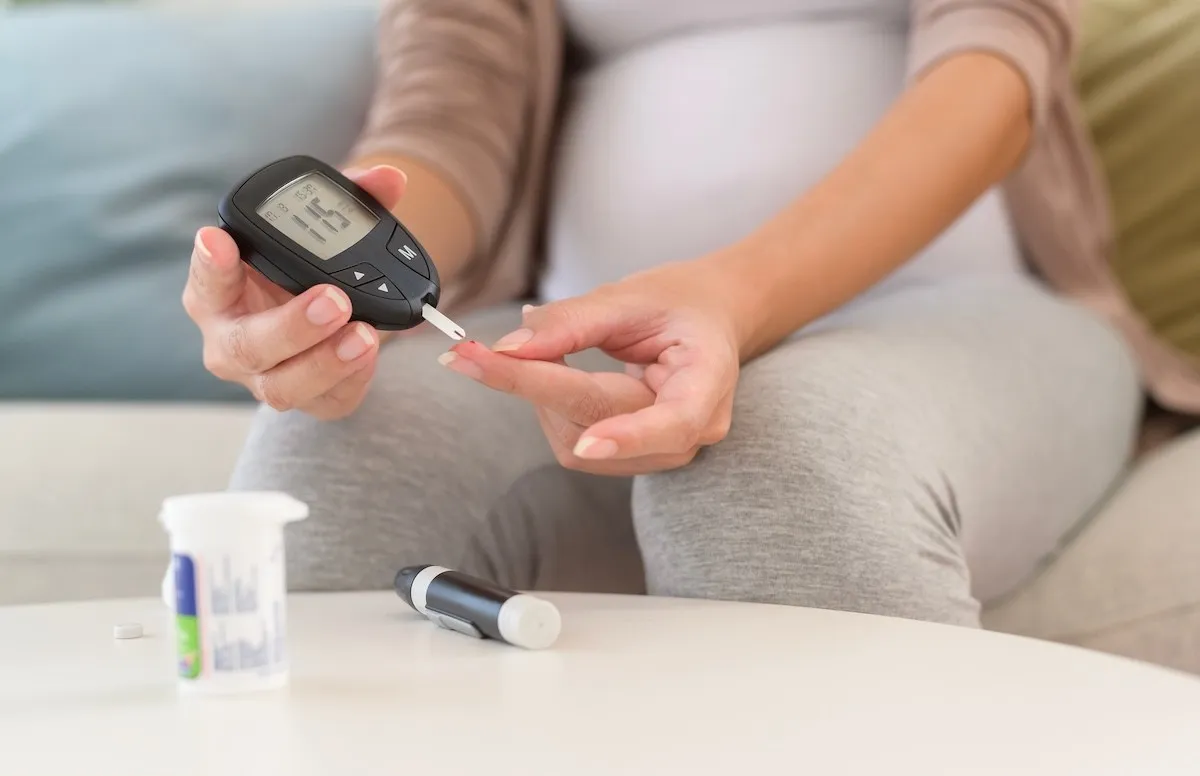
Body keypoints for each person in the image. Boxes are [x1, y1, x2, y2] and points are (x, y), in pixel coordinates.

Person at [181, 0, 1154, 626]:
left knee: (779, 461)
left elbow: (998, 69)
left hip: (952, 308)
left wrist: (735, 296)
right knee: (334, 453)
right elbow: (448, 111)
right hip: (583, 327)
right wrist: (325, 281)